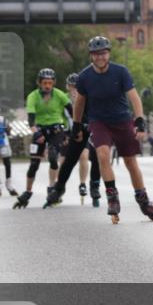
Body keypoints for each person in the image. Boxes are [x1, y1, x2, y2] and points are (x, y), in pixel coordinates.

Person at [72, 36, 153, 223]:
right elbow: (79, 102)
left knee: (131, 162)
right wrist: (76, 125)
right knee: (103, 156)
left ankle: (144, 202)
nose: (100, 57)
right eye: (96, 54)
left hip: (122, 120)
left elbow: (135, 98)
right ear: (91, 56)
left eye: (103, 53)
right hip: (98, 122)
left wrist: (139, 122)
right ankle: (112, 198)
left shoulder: (121, 72)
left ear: (109, 53)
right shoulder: (84, 77)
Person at [43, 73, 102, 209]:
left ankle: (83, 184)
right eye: (71, 86)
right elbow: (56, 116)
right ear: (67, 87)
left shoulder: (87, 96)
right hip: (67, 132)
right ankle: (56, 190)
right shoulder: (61, 98)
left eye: (76, 86)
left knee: (84, 156)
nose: (74, 89)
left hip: (83, 132)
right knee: (63, 162)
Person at [13, 69, 70, 208]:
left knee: (52, 156)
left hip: (56, 129)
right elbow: (31, 119)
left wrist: (73, 129)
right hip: (39, 129)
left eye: (50, 83)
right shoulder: (33, 96)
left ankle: (52, 189)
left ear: (54, 83)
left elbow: (72, 110)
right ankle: (27, 192)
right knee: (34, 164)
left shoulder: (59, 94)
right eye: (44, 83)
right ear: (39, 83)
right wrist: (36, 133)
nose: (47, 86)